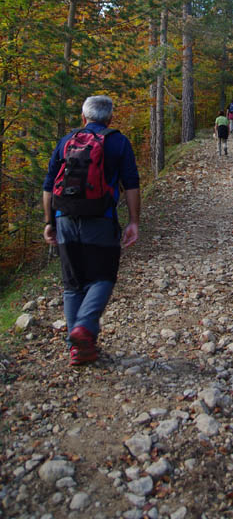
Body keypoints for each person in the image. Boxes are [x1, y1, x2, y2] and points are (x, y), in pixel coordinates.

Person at [43, 95, 140, 365]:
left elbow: (49, 184)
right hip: (100, 218)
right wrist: (133, 221)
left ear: (83, 118)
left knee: (73, 284)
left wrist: (49, 221)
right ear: (109, 119)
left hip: (64, 217)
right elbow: (131, 183)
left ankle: (78, 349)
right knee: (102, 278)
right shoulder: (118, 141)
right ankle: (83, 328)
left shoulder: (66, 142)